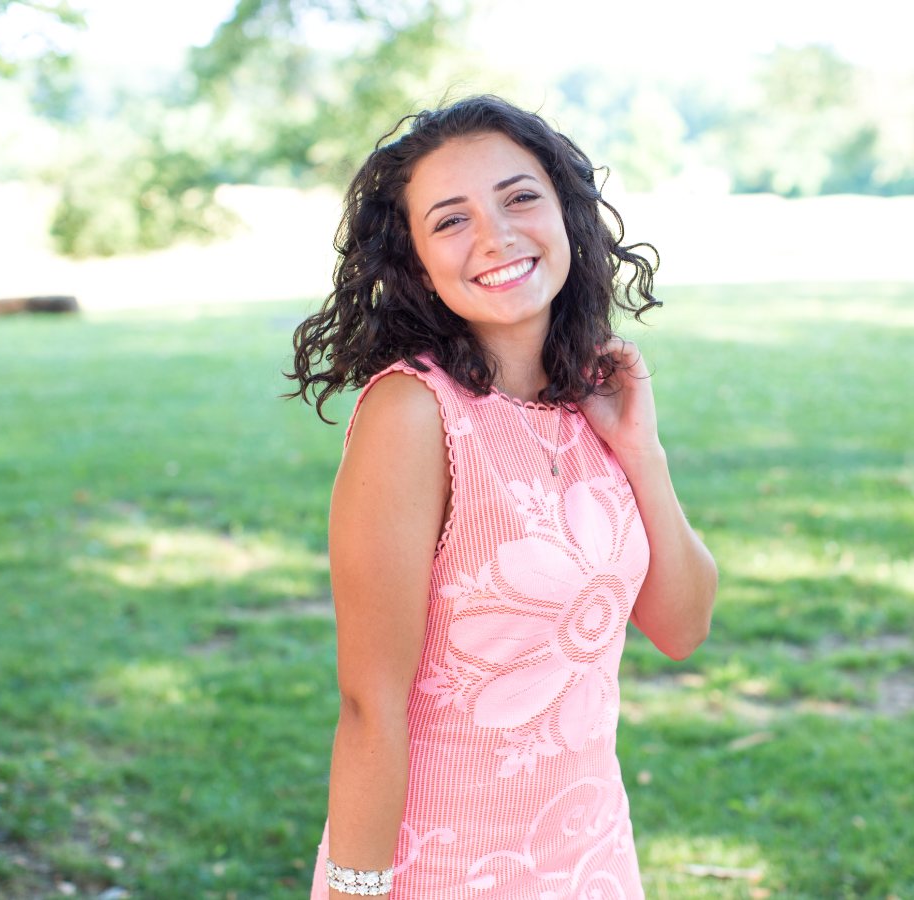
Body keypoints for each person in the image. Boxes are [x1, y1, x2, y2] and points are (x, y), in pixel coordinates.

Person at [287, 94, 718, 898]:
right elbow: (369, 701)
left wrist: (642, 454)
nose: (495, 235)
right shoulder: (414, 414)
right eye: (450, 220)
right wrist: (355, 889)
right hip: (445, 869)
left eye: (520, 197)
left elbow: (683, 627)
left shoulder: (589, 400)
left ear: (568, 214)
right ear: (414, 261)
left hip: (590, 857)